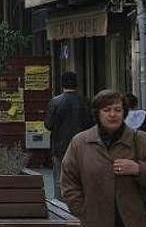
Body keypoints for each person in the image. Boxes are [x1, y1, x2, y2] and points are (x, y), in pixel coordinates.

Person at [60, 89, 146, 227]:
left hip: (135, 220)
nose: (112, 114)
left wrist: (139, 169)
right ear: (97, 114)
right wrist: (82, 210)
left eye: (117, 110)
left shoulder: (142, 140)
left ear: (124, 113)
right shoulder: (80, 142)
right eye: (106, 110)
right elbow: (68, 181)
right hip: (95, 220)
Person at [44, 71, 93, 199]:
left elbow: (48, 125)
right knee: (80, 177)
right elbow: (91, 124)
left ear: (62, 85)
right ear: (77, 85)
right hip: (83, 146)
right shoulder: (86, 101)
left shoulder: (55, 102)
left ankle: (60, 204)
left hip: (60, 145)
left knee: (60, 178)